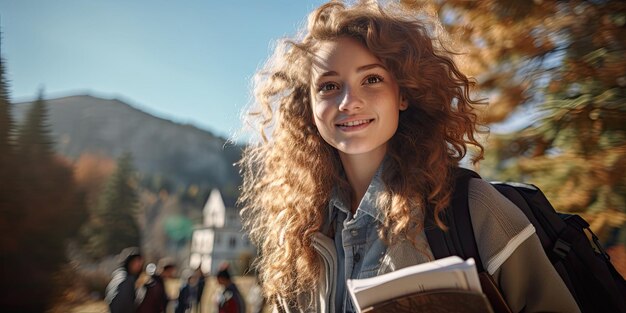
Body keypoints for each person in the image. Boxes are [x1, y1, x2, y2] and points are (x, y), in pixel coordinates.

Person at [238, 1, 581, 312]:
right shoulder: (299, 235)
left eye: (371, 79)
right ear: (308, 106)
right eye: (328, 86)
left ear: (402, 94)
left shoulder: (474, 209)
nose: (348, 102)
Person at [105, 247, 144, 313]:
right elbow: (120, 306)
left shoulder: (120, 276)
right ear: (129, 262)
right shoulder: (125, 281)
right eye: (136, 262)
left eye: (140, 262)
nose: (139, 265)